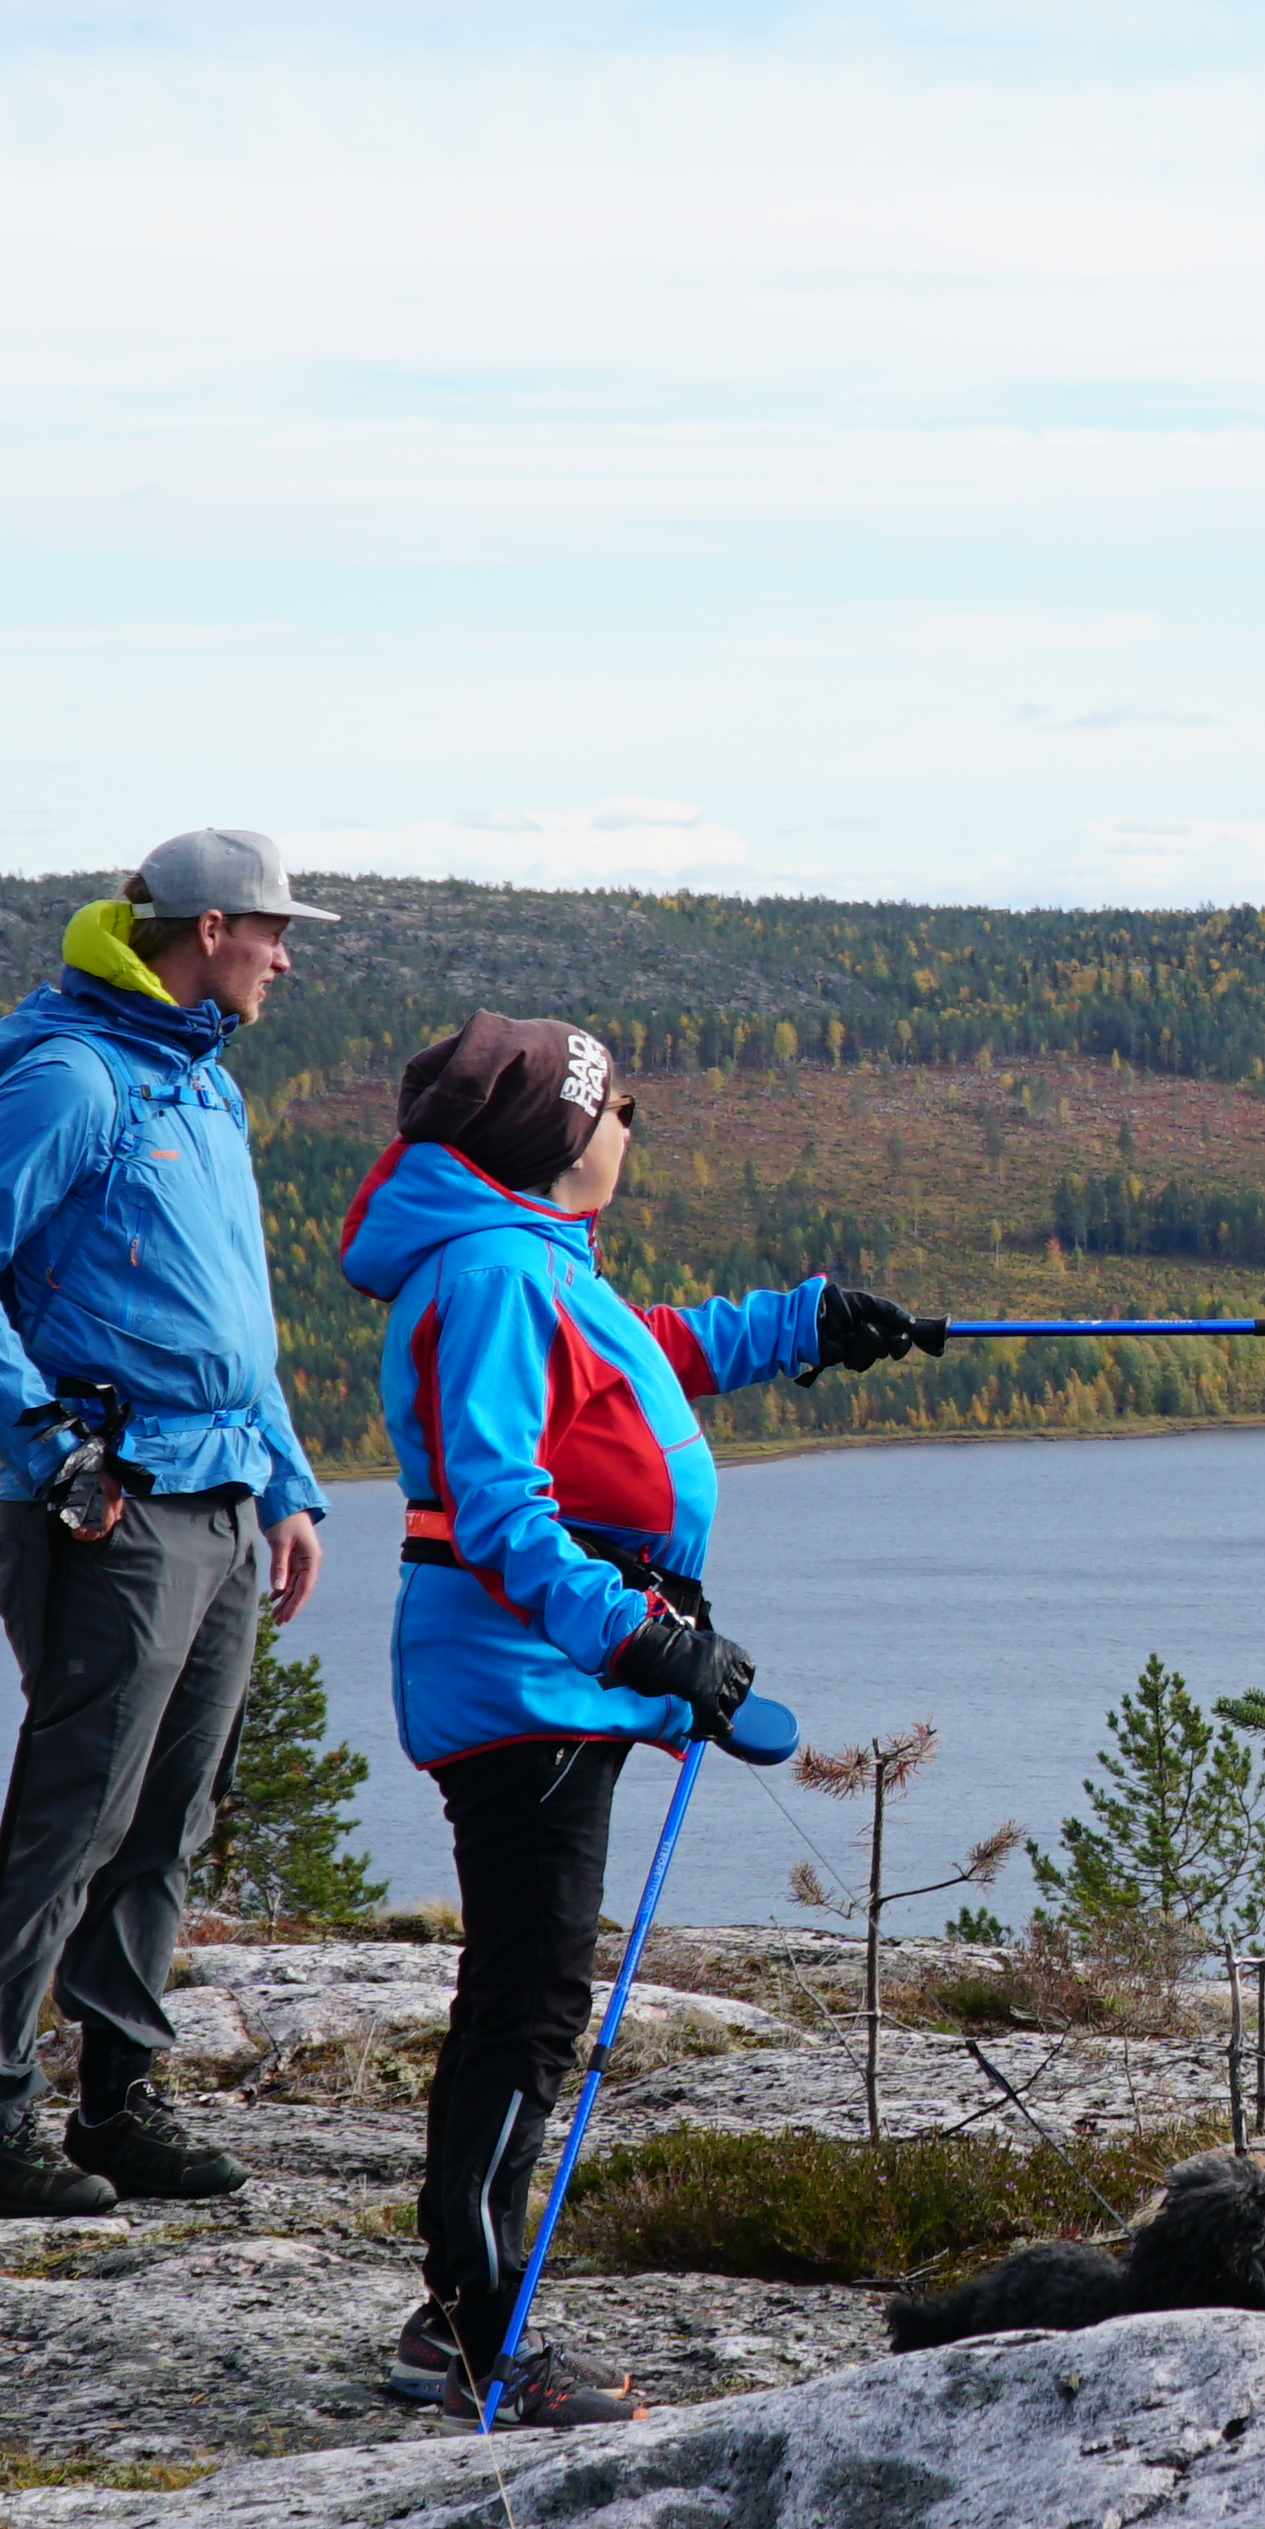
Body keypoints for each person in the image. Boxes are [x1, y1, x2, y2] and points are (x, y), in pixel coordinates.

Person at [340, 1009, 940, 2417]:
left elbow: (636, 1359)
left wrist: (805, 1322)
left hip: (554, 1677)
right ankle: (480, 2331)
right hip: (523, 1682)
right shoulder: (493, 1274)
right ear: (553, 1138)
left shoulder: (533, 1261)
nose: (631, 1132)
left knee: (526, 1994)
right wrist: (650, 1638)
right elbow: (495, 1507)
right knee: (528, 2003)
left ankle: (459, 2315)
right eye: (617, 1112)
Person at [0, 830, 338, 2221]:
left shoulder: (200, 1087)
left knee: (171, 1812)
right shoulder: (75, 1080)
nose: (286, 954)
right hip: (114, 1511)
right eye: (273, 929)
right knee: (75, 1814)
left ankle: (120, 2098)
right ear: (205, 930)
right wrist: (45, 1446)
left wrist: (289, 1480)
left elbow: (231, 1316)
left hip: (216, 1497)